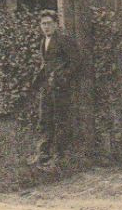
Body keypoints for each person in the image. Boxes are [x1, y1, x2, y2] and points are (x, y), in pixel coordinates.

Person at [24, 10, 83, 168]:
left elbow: (76, 61)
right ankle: (43, 154)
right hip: (47, 88)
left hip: (60, 88)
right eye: (43, 24)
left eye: (49, 23)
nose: (46, 27)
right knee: (45, 120)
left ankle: (59, 155)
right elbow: (46, 64)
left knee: (61, 120)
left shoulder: (64, 40)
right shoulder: (44, 41)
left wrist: (63, 76)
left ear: (56, 24)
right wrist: (37, 83)